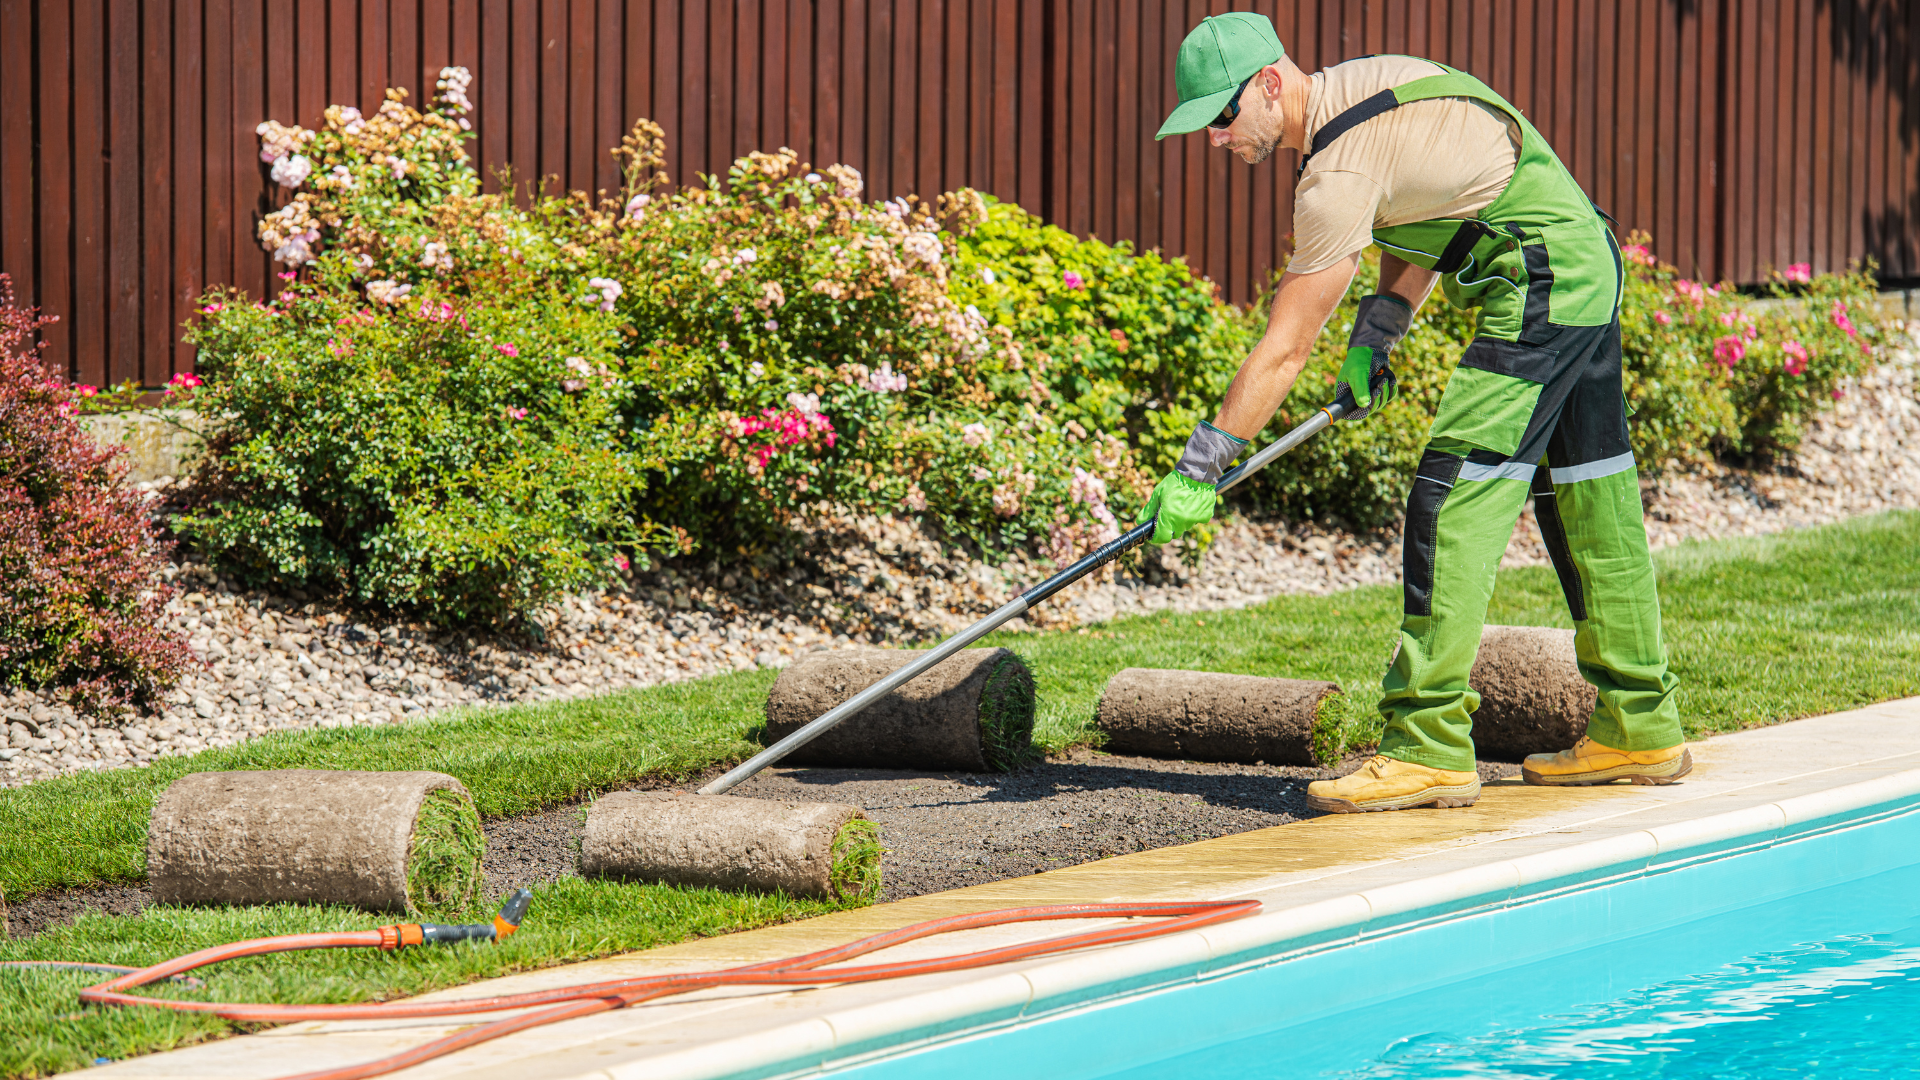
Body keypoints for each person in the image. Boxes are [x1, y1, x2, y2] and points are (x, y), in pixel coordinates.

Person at [1143, 13, 1688, 813]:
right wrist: (1381, 333)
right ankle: (1640, 723)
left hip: (1539, 283)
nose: (1218, 139)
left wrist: (1203, 462)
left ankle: (1426, 744)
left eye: (1222, 117)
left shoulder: (1333, 179)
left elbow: (1286, 346)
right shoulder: (1365, 88)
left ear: (1268, 83)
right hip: (1582, 263)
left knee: (1451, 494)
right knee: (1587, 497)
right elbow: (1432, 203)